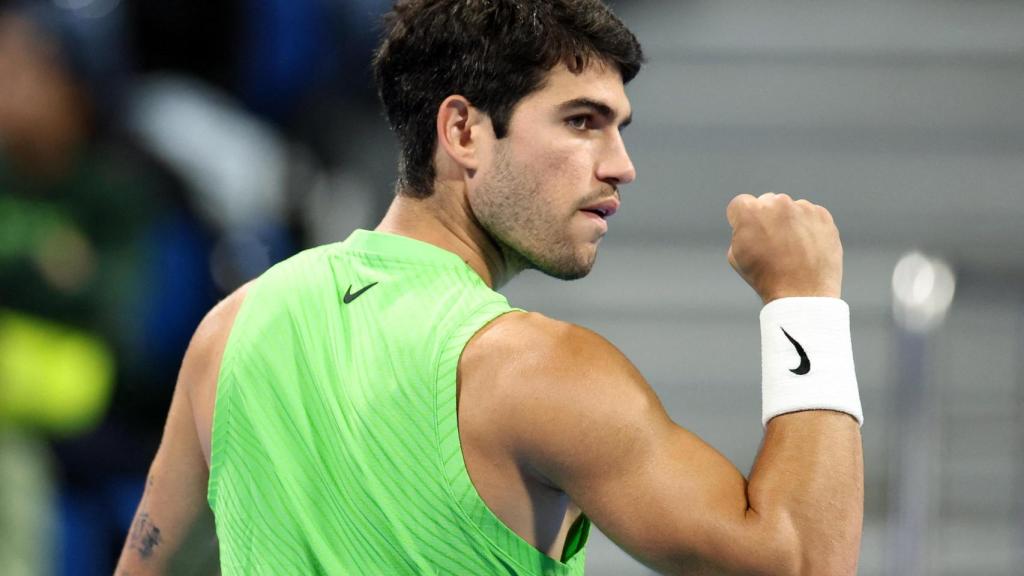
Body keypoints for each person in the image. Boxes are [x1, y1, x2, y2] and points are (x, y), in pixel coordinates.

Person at [116, 1, 864, 574]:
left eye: (620, 128)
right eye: (582, 122)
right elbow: (802, 559)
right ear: (464, 131)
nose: (621, 164)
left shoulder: (229, 329)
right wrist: (804, 300)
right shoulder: (537, 372)